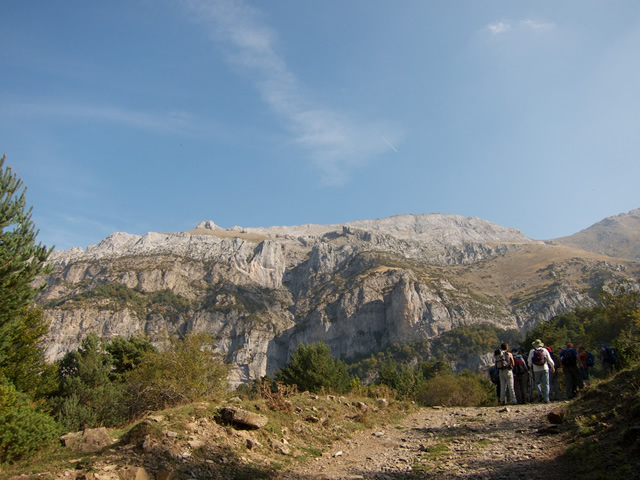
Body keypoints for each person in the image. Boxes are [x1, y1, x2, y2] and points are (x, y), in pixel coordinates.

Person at [528, 339, 555, 403]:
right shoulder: (544, 350)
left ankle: (540, 394)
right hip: (545, 368)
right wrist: (552, 366)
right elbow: (549, 359)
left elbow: (529, 361)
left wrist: (529, 367)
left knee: (537, 383)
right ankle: (546, 399)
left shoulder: (532, 351)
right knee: (546, 384)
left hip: (536, 369)